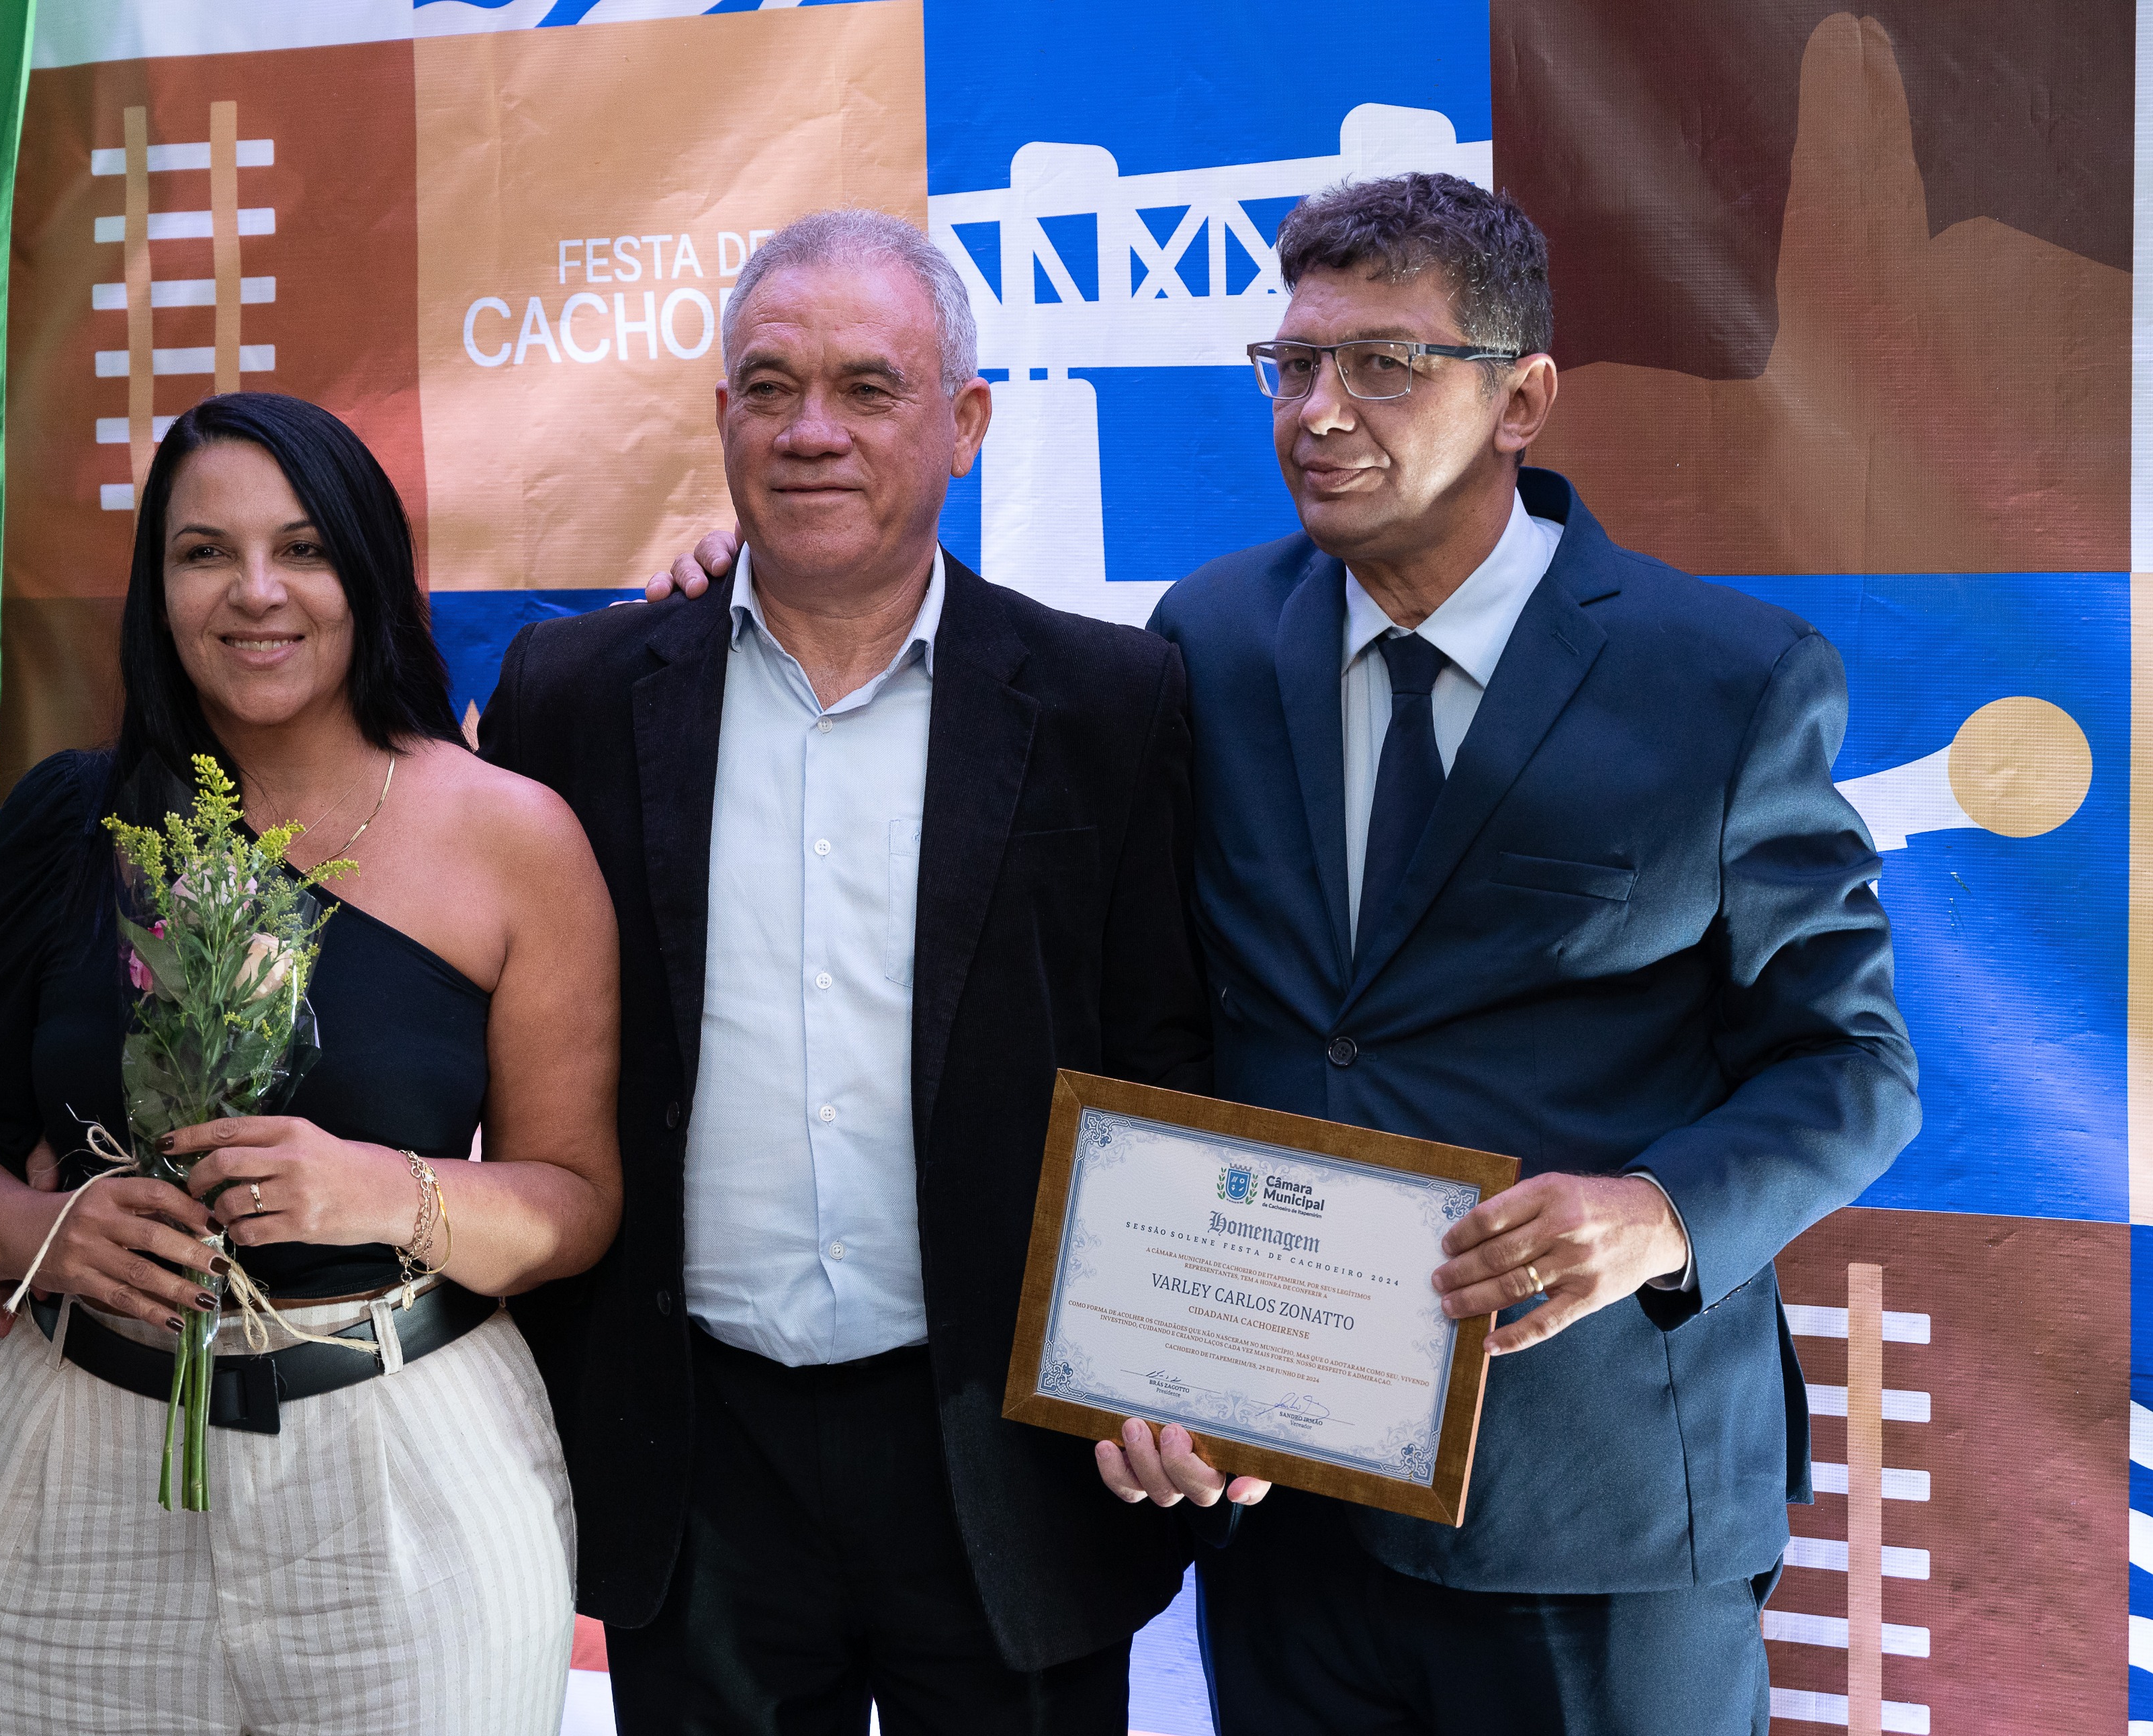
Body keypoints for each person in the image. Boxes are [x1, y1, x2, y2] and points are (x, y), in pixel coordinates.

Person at [652, 175, 1920, 1735]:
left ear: (1520, 398)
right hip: (1278, 1494)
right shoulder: (1207, 638)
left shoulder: (1724, 677)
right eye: (1294, 363)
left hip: (1595, 1501)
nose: (1319, 412)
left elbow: (1852, 1064)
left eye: (1383, 364)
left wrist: (1656, 1213)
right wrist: (750, 586)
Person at [476, 209, 1208, 1735]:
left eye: (870, 388)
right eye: (770, 386)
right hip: (695, 1463)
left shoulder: (1110, 699)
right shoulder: (574, 694)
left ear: (966, 424)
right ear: (721, 417)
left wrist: (1181, 1354)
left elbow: (1164, 1058)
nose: (812, 430)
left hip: (1007, 1460)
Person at [0, 392, 623, 1736]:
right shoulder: (71, 820)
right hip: (70, 1481)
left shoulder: (513, 838)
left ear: (367, 573)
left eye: (304, 548)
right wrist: (49, 1234)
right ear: (156, 589)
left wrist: (386, 1191)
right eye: (204, 551)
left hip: (406, 1490)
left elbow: (576, 1200)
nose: (256, 591)